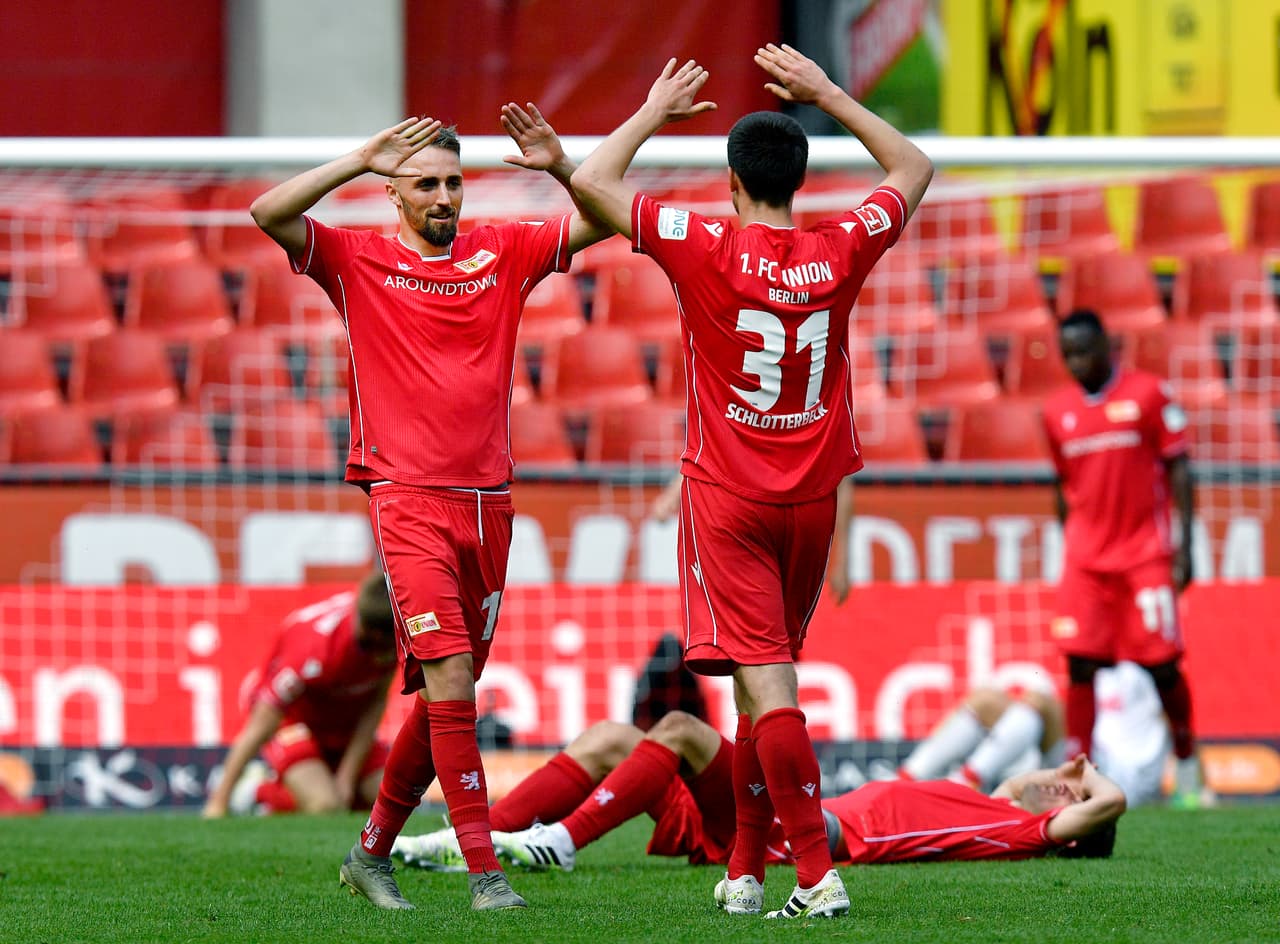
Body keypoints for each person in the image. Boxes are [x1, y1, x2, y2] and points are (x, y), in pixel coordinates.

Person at [568, 45, 933, 919]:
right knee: (755, 686)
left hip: (729, 499)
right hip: (811, 502)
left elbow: (590, 178)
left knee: (768, 688)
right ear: (800, 181)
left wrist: (655, 111)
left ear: (731, 181)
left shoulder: (706, 246)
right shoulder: (840, 247)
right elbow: (915, 164)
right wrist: (826, 92)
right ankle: (742, 871)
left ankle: (814, 877)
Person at [249, 102, 611, 911]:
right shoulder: (356, 261)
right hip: (405, 496)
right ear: (396, 194)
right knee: (450, 673)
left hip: (489, 503)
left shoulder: (502, 253)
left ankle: (371, 853)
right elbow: (268, 213)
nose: (445, 197)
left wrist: (560, 159)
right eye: (426, 184)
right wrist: (361, 155)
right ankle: (486, 875)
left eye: (453, 182)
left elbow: (602, 213)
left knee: (450, 685)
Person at [391, 714, 1126, 887]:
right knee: (617, 736)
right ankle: (465, 842)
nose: (1063, 781)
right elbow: (1031, 780)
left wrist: (1087, 778)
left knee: (680, 729)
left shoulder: (1027, 832)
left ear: (1067, 830)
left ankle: (560, 842)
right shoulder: (996, 805)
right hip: (776, 819)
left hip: (797, 834)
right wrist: (1064, 766)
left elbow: (1109, 801)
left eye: (1069, 791)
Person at [1043, 309, 1214, 809]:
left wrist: (1185, 547)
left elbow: (1179, 471)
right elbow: (1062, 485)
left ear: (1106, 346)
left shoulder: (1148, 395)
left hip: (1144, 556)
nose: (1077, 362)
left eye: (1084, 350)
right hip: (1087, 561)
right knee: (1080, 666)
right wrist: (1070, 543)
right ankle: (1078, 780)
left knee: (1163, 668)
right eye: (1068, 353)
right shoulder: (1057, 412)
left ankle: (1186, 763)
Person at [202, 572, 397, 819]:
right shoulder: (314, 652)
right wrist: (219, 802)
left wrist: (346, 778)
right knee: (326, 806)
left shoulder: (389, 624)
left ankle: (324, 785)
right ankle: (257, 791)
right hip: (293, 721)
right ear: (378, 638)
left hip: (340, 723)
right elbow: (262, 722)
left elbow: (376, 701)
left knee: (393, 802)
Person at [896, 663, 1171, 806]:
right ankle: (901, 782)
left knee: (1041, 701)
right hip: (1079, 756)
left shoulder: (1140, 669)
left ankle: (964, 782)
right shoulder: (1098, 667)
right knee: (986, 699)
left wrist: (1176, 782)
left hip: (1109, 774)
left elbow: (1168, 723)